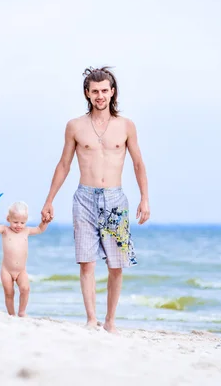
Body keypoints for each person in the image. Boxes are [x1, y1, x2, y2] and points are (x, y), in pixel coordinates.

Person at [41, 67, 150, 333]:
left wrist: (145, 198)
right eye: (95, 91)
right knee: (86, 261)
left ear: (112, 92)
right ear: (87, 94)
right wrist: (49, 200)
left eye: (104, 90)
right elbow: (64, 164)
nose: (100, 96)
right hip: (84, 198)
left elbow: (138, 163)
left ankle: (110, 320)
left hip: (115, 198)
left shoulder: (125, 126)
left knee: (116, 264)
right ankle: (91, 319)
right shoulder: (75, 126)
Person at [0, 201, 49, 316]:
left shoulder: (26, 231)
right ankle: (11, 314)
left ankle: (22, 312)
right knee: (9, 293)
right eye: (15, 222)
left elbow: (40, 229)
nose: (19, 225)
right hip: (7, 270)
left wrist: (45, 222)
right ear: (8, 219)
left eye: (22, 222)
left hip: (21, 270)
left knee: (25, 289)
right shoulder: (5, 230)